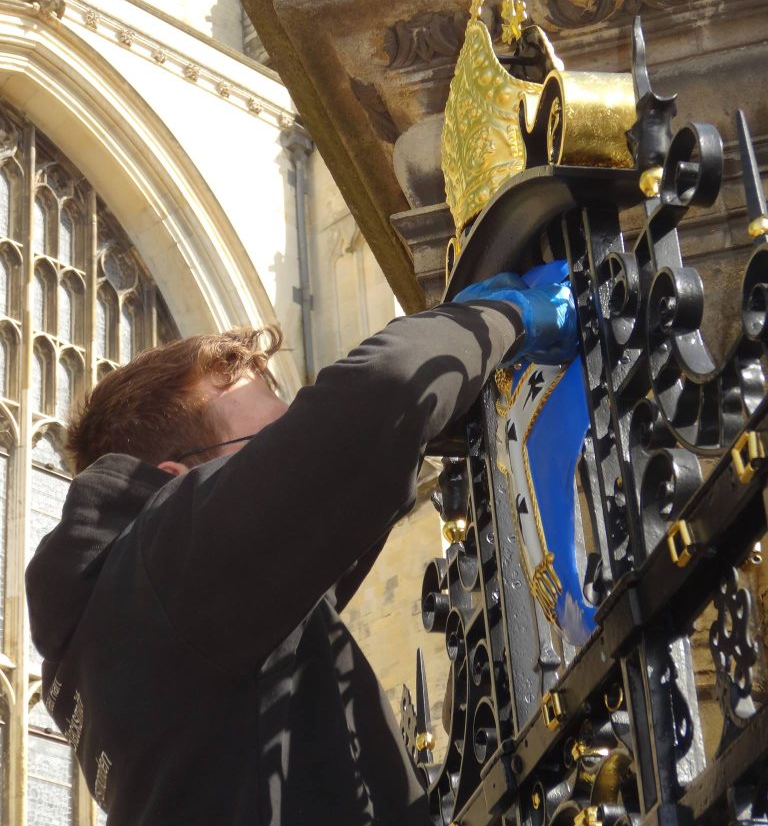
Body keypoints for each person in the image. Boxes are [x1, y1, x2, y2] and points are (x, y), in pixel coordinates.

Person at [26, 274, 576, 826]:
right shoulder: (166, 573)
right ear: (175, 482)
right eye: (265, 450)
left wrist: (443, 391)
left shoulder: (150, 631)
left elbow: (341, 507)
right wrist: (501, 315)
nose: (289, 457)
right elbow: (385, 390)